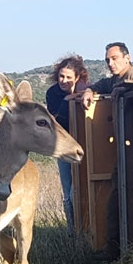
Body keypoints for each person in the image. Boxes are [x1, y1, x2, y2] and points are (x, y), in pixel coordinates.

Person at [82, 42, 133, 260]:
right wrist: (89, 90)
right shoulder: (114, 79)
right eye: (108, 60)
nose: (111, 63)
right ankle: (115, 249)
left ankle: (124, 251)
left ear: (127, 57)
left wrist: (125, 89)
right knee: (117, 198)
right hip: (125, 151)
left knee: (127, 199)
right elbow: (102, 84)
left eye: (114, 58)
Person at [45, 55, 90, 236]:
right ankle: (73, 233)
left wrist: (75, 97)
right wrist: (67, 101)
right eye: (61, 76)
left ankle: (85, 231)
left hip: (85, 146)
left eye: (68, 77)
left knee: (77, 191)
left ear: (77, 77)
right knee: (68, 193)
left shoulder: (86, 91)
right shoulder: (53, 93)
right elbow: (56, 123)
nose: (63, 81)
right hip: (63, 148)